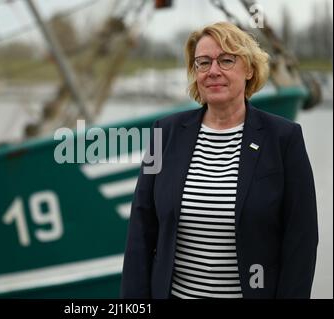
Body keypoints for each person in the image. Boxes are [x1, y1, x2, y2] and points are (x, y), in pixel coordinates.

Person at [121, 22, 318, 299]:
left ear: (249, 69)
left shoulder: (284, 138)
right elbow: (141, 230)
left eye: (226, 60)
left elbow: (301, 240)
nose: (213, 71)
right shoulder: (163, 134)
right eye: (203, 63)